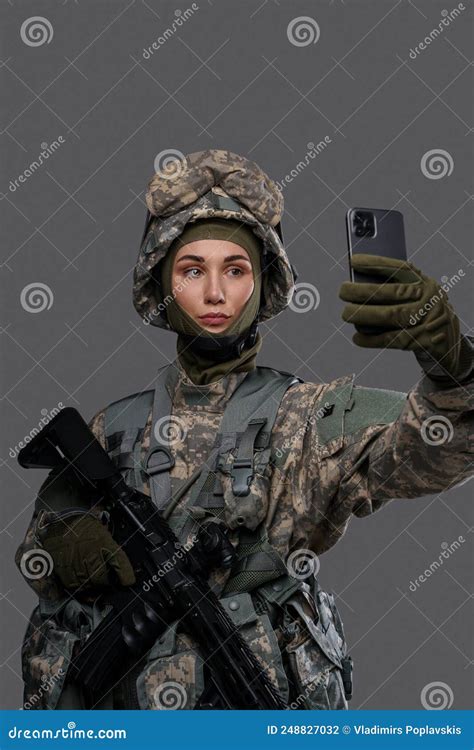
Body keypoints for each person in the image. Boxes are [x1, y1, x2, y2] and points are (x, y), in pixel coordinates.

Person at [15, 149, 473, 711]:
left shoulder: (309, 417)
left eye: (236, 269)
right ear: (162, 286)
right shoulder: (115, 426)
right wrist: (63, 539)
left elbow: (441, 448)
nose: (214, 294)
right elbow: (41, 547)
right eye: (191, 270)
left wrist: (453, 361)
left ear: (262, 285)